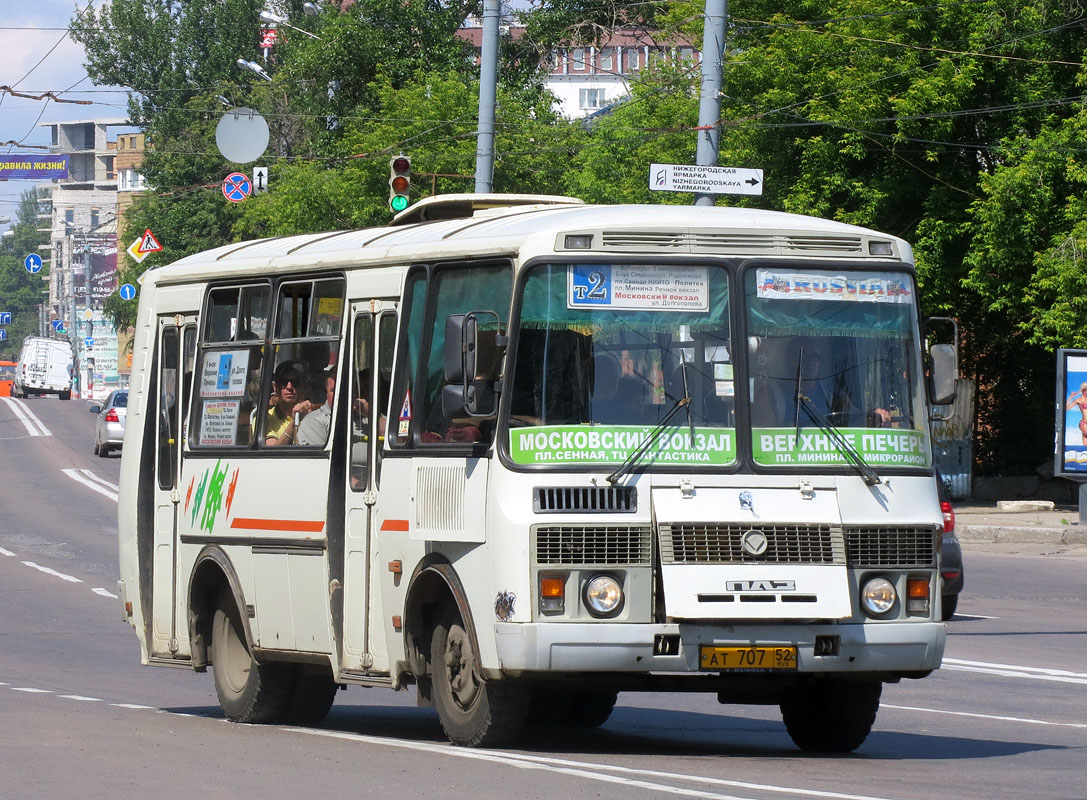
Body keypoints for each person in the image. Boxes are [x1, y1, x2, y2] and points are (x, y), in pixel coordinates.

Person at [265, 362, 314, 446]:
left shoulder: (314, 418)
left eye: (295, 382)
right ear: (275, 387)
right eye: (283, 382)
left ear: (303, 387)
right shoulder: (266, 418)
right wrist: (294, 421)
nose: (289, 387)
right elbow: (273, 453)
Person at [297, 371, 335, 446]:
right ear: (326, 391)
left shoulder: (363, 415)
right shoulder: (314, 421)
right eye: (334, 390)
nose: (340, 394)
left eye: (345, 389)